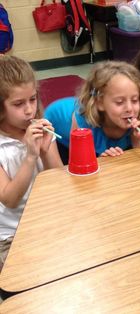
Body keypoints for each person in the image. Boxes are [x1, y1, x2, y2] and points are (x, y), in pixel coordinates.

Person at [0, 55, 63, 272]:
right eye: (18, 104)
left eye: (33, 99)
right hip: (11, 235)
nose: (29, 110)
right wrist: (30, 157)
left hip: (47, 220)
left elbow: (60, 182)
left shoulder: (40, 128)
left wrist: (45, 152)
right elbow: (9, 199)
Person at [45, 60, 140, 162]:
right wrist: (101, 163)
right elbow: (79, 169)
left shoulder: (137, 120)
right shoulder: (82, 122)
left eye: (135, 100)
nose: (130, 108)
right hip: (58, 133)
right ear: (100, 102)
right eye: (120, 102)